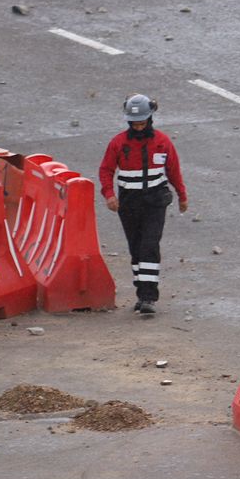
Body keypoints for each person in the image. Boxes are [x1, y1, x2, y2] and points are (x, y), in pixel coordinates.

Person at [98, 94, 188, 315]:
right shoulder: (118, 143)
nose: (138, 127)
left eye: (142, 123)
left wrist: (182, 196)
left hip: (155, 201)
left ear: (150, 119)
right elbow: (106, 170)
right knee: (136, 248)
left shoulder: (162, 142)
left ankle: (148, 297)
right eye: (134, 123)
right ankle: (141, 291)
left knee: (149, 246)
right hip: (129, 203)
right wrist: (109, 195)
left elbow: (173, 171)